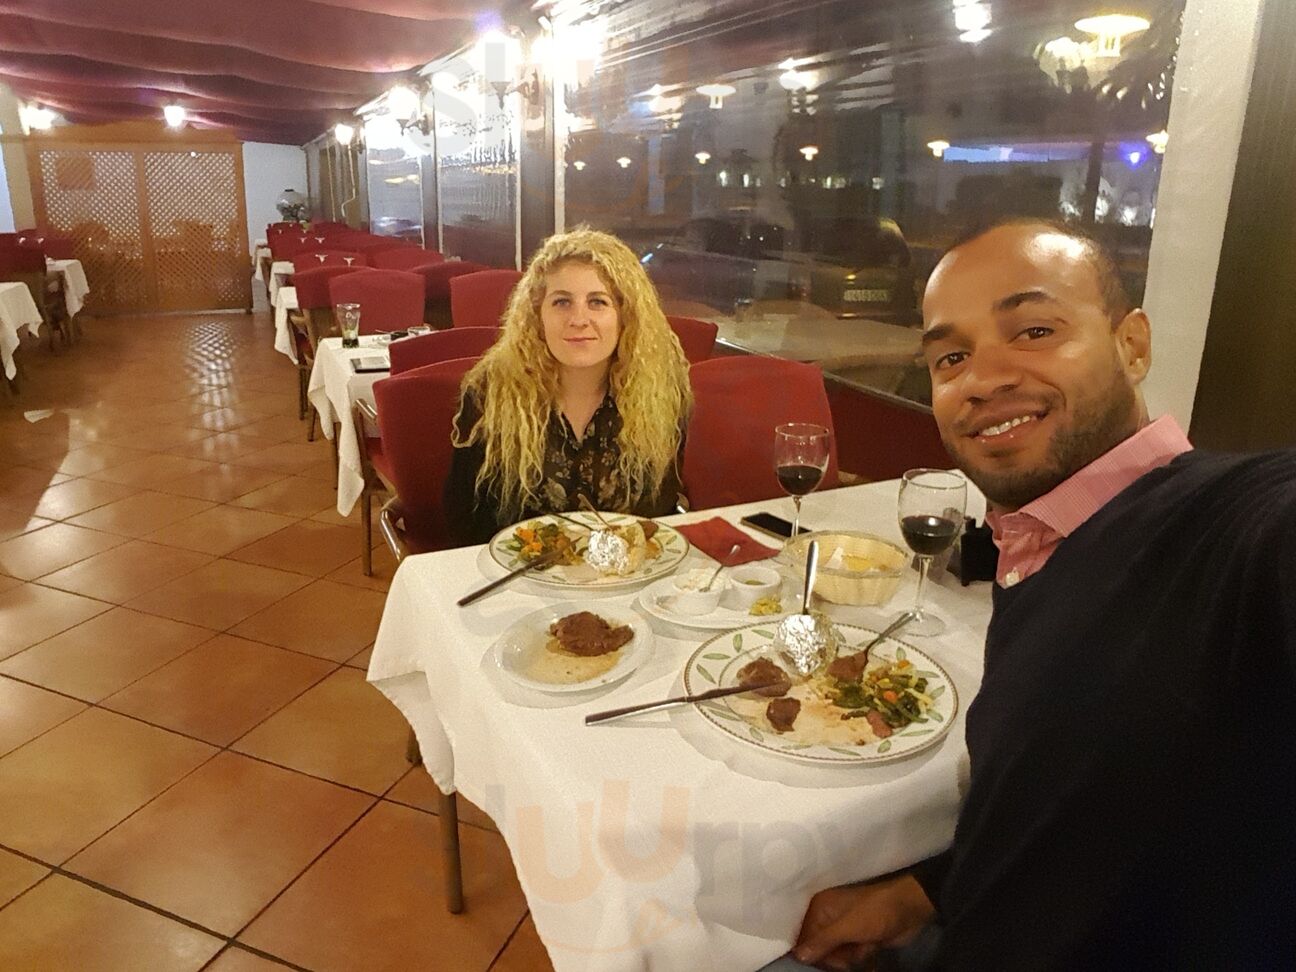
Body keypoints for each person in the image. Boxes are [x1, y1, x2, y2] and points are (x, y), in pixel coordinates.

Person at [777, 218, 1296, 970]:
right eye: (952, 357)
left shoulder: (1231, 528)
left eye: (1034, 331)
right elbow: (1085, 808)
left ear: (1133, 345)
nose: (982, 379)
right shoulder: (1040, 545)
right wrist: (928, 891)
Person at [444, 228, 692, 545]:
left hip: (629, 570)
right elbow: (464, 523)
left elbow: (660, 513)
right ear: (537, 315)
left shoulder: (661, 394)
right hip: (517, 571)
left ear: (625, 316)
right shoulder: (489, 393)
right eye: (562, 302)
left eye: (598, 302)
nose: (578, 319)